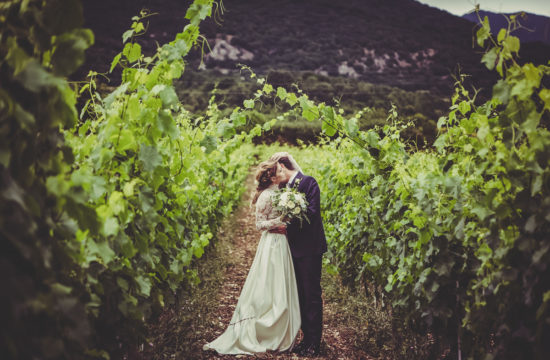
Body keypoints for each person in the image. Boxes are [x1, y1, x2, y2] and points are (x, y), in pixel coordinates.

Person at [203, 159, 301, 355]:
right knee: (268, 283)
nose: (282, 171)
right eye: (278, 170)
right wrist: (280, 221)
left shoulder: (281, 192)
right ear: (272, 177)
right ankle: (264, 328)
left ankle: (280, 329)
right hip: (271, 243)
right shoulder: (265, 196)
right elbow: (259, 224)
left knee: (281, 284)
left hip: (282, 243)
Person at [269, 152, 327, 356]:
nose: (273, 177)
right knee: (299, 294)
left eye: (274, 171)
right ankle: (305, 338)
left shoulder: (308, 182)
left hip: (310, 248)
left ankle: (314, 342)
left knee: (311, 294)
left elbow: (311, 213)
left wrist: (287, 227)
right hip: (292, 248)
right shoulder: (284, 188)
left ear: (282, 167)